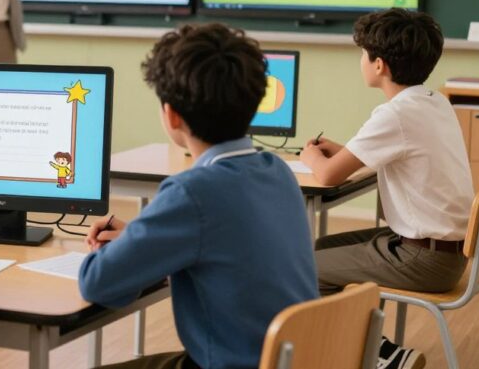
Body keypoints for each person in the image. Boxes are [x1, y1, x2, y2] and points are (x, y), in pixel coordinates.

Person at [79, 23, 318, 369]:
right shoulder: (276, 170)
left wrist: (111, 249)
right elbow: (221, 240)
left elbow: (96, 284)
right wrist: (141, 236)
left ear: (171, 114)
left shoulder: (192, 193)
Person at [300, 8, 472, 369]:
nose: (361, 60)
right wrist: (344, 151)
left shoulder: (394, 114)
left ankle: (380, 355)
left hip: (424, 261)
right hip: (447, 253)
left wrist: (310, 156)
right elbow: (395, 147)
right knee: (320, 247)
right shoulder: (433, 101)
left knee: (302, 267)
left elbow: (329, 176)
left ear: (379, 65)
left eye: (364, 54)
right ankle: (373, 346)